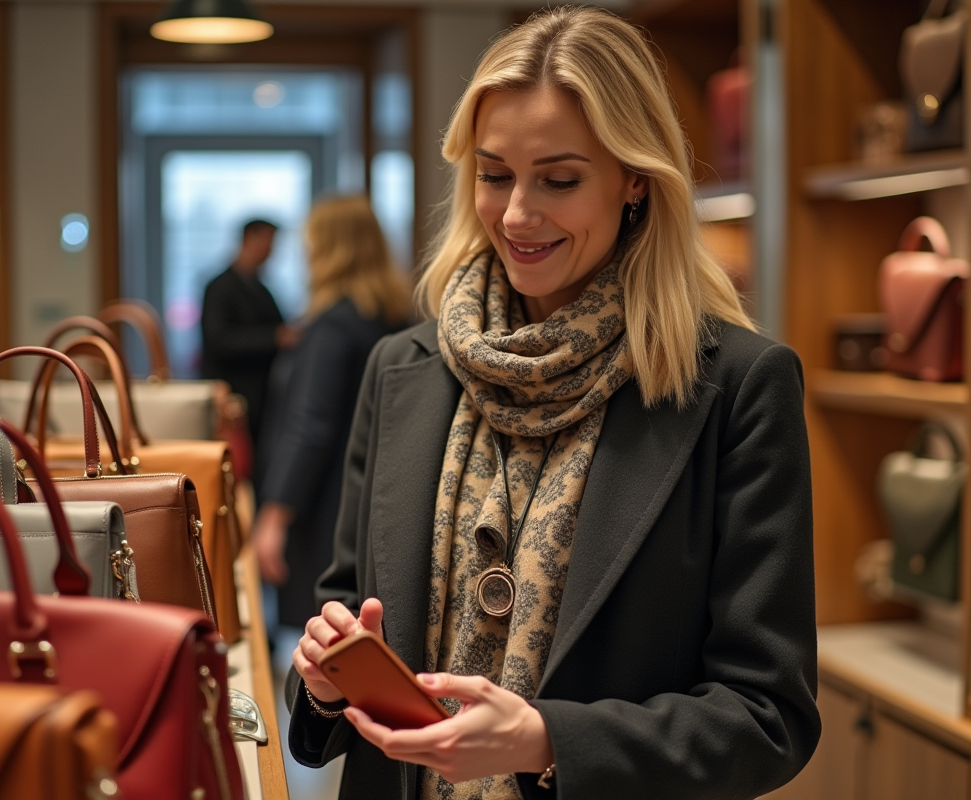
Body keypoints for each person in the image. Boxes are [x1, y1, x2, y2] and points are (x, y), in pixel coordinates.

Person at [286, 7, 820, 799]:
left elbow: (769, 715)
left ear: (635, 179)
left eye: (559, 180)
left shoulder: (738, 387)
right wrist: (327, 675)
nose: (515, 215)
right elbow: (345, 609)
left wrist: (546, 741)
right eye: (494, 173)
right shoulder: (401, 368)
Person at [252, 196, 411, 628]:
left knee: (320, 641)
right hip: (379, 502)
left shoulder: (331, 328)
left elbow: (310, 426)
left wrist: (274, 514)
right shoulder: (398, 321)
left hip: (323, 507)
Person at [200, 219, 301, 447]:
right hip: (233, 397)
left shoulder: (261, 287)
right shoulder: (220, 287)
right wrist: (275, 337)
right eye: (268, 242)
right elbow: (218, 340)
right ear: (249, 239)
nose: (272, 251)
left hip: (261, 395)